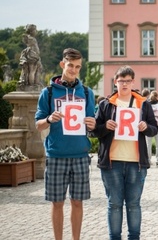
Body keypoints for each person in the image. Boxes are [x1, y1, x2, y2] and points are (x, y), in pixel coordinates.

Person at [90, 65, 158, 240]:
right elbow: (94, 131)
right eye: (121, 81)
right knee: (114, 204)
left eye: (128, 81)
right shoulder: (105, 104)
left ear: (133, 82)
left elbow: (154, 129)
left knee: (134, 205)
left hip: (136, 162)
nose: (125, 84)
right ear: (115, 82)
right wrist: (105, 127)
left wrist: (145, 127)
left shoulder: (143, 104)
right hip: (112, 162)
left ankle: (133, 237)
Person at [34, 48, 96, 240]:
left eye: (78, 67)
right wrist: (50, 119)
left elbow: (92, 123)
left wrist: (92, 124)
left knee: (77, 202)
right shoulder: (49, 92)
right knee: (57, 203)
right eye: (70, 65)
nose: (74, 70)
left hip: (80, 154)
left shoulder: (86, 92)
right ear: (63, 64)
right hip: (56, 154)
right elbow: (38, 125)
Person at [146, 90, 158, 166]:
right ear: (157, 97)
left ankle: (148, 160)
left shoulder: (147, 104)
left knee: (148, 144)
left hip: (149, 127)